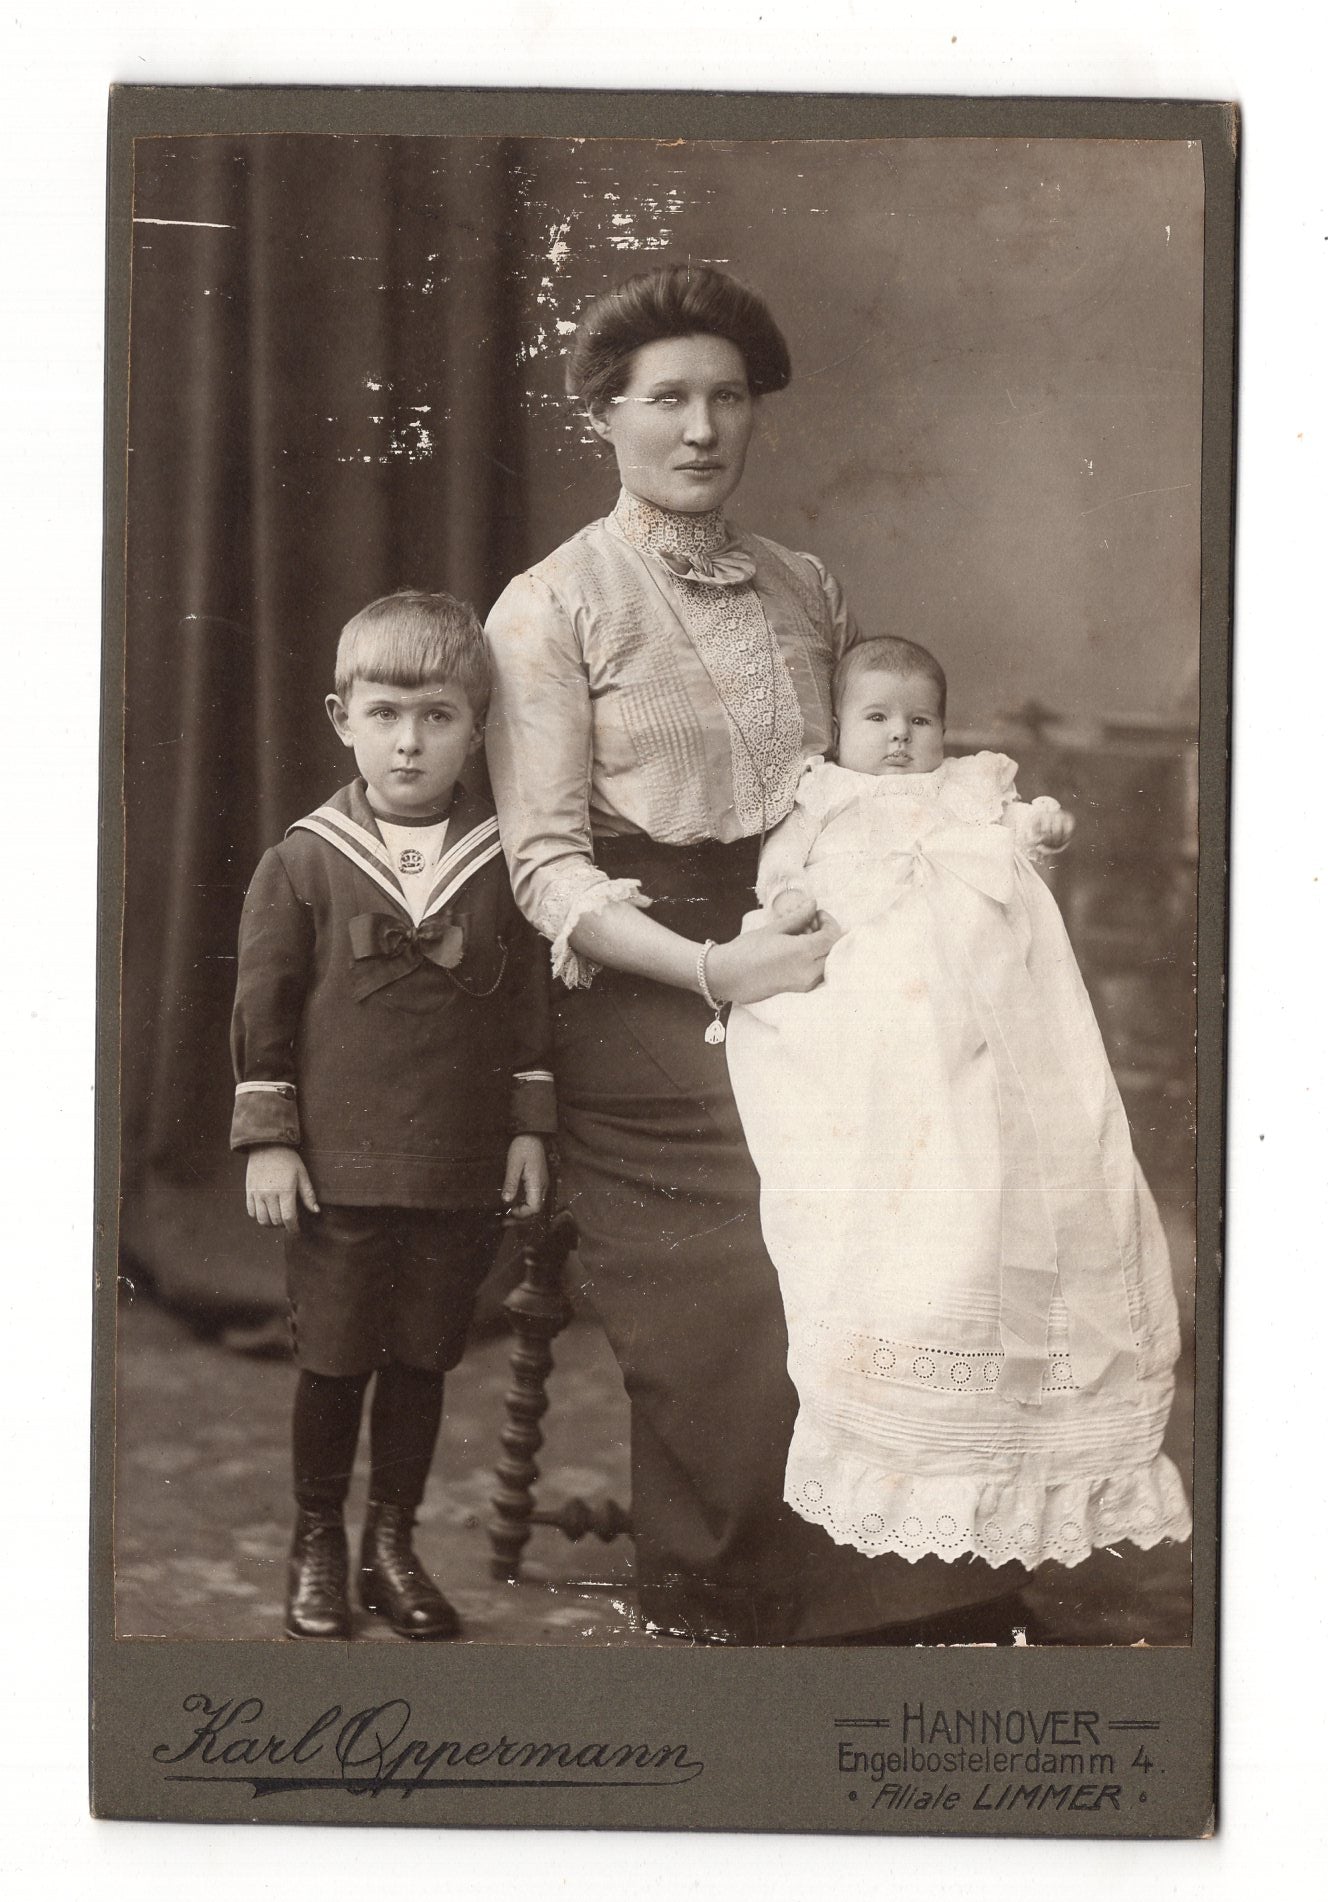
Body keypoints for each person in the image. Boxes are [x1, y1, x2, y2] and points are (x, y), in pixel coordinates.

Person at [485, 263, 1036, 1644]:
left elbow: (858, 787)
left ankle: (928, 1559)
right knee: (745, 1230)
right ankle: (745, 1585)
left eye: (727, 398)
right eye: (665, 397)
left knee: (951, 1161)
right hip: (643, 978)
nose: (699, 427)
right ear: (602, 416)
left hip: (816, 933)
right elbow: (544, 864)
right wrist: (716, 970)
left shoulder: (806, 584)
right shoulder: (547, 608)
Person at [725, 637, 1192, 1570]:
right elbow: (782, 880)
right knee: (886, 1158)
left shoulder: (974, 788)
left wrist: (1042, 832)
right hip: (872, 1009)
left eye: (920, 720)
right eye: (877, 718)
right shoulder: (822, 797)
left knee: (1011, 1162)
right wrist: (783, 910)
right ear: (840, 727)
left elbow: (1027, 852)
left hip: (985, 1016)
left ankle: (1024, 1421)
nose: (900, 739)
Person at [230, 590, 554, 1641]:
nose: (409, 743)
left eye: (437, 717)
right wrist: (271, 1143)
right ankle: (316, 1535)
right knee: (334, 1359)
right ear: (341, 718)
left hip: (455, 1166)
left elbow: (529, 1010)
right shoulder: (304, 861)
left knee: (423, 1359)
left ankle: (391, 1542)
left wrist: (525, 1126)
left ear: (476, 726)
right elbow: (262, 1012)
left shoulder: (505, 861)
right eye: (384, 715)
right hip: (339, 1169)